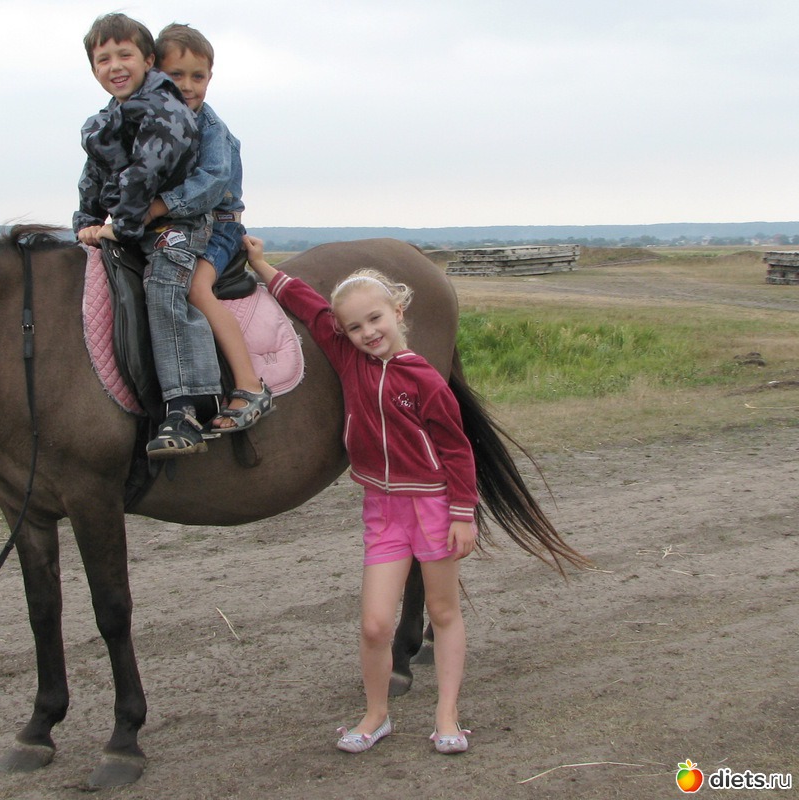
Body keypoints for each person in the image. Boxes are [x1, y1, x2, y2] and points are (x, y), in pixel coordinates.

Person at [243, 235, 479, 755]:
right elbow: (307, 306)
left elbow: (457, 450)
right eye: (354, 327)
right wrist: (261, 264)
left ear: (398, 312)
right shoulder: (348, 359)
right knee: (374, 625)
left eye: (375, 319)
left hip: (433, 507)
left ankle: (447, 716)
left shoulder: (425, 380)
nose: (368, 333)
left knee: (444, 613)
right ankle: (376, 715)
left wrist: (463, 514)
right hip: (383, 510)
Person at [74, 12, 221, 458]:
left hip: (176, 224)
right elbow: (94, 173)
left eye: (125, 55)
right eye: (103, 59)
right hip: (131, 224)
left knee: (164, 286)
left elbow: (144, 172)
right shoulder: (106, 120)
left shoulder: (165, 110)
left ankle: (187, 407)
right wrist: (84, 221)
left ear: (148, 61)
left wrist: (120, 225)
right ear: (93, 69)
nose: (115, 66)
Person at [148, 23, 273, 431]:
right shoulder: (154, 121)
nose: (187, 85)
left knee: (195, 288)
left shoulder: (212, 130)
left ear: (210, 77)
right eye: (176, 75)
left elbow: (211, 184)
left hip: (218, 227)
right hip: (175, 225)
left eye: (197, 76)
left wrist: (157, 207)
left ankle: (249, 383)